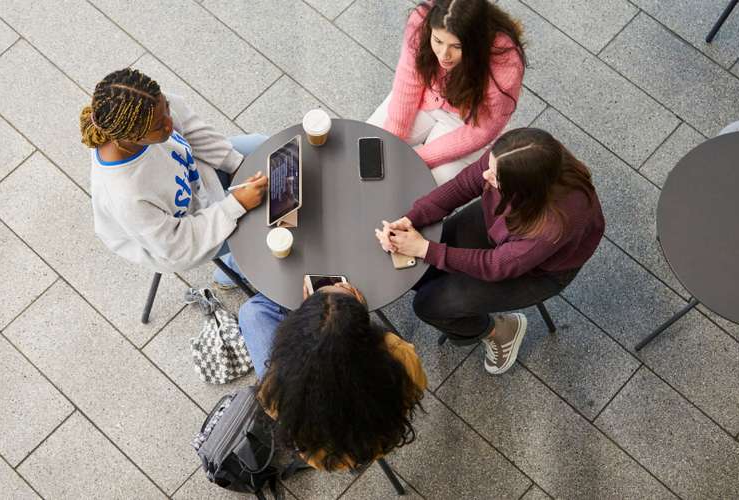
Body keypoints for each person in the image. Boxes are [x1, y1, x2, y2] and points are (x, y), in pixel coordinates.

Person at [375, 128, 605, 375]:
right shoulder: (514, 154)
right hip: (502, 223)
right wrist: (412, 218)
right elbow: (464, 184)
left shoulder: (553, 225)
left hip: (540, 271)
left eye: (495, 177)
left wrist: (425, 248)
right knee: (419, 273)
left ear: (523, 189)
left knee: (429, 305)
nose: (486, 174)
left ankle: (501, 332)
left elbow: (496, 266)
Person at [80, 68, 268, 284]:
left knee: (263, 146)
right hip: (180, 241)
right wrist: (237, 204)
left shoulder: (150, 106)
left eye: (167, 109)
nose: (170, 124)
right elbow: (176, 245)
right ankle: (233, 274)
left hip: (196, 175)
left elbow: (193, 131)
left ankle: (239, 257)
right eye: (160, 126)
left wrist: (236, 165)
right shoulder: (125, 194)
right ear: (131, 136)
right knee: (264, 228)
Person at [238, 283, 426, 471]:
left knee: (250, 312)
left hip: (330, 455)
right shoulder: (399, 356)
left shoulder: (278, 388)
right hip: (375, 439)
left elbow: (275, 406)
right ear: (365, 334)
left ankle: (227, 275)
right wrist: (353, 314)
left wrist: (314, 320)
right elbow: (418, 383)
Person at [368, 0, 526, 185]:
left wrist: (419, 158)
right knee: (371, 145)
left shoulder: (505, 65)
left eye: (457, 47)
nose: (444, 54)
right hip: (424, 97)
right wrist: (392, 137)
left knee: (424, 186)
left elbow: (482, 131)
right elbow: (409, 77)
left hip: (466, 120)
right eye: (438, 41)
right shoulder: (421, 19)